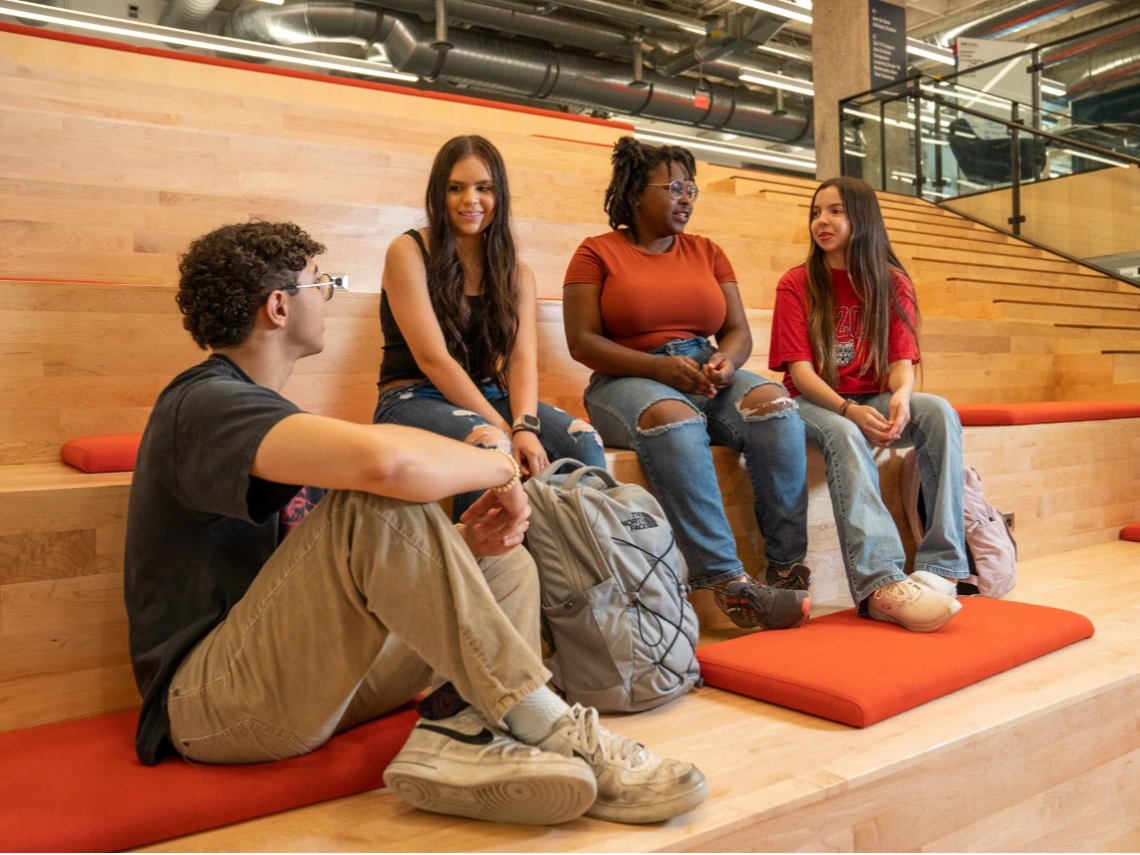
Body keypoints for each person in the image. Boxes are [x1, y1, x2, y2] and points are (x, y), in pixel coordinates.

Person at [123, 221, 708, 827]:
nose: (325, 296)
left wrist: (463, 544)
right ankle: (550, 724)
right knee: (373, 498)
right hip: (214, 703)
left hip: (311, 676)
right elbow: (389, 464)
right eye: (318, 285)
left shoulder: (271, 415)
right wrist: (503, 464)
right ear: (278, 307)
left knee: (501, 559)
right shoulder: (203, 404)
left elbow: (323, 581)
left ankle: (457, 736)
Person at [562, 136, 812, 632]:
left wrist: (725, 359)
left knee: (774, 404)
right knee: (675, 420)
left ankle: (785, 568)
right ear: (635, 193)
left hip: (703, 368)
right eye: (673, 188)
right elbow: (582, 341)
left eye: (691, 190)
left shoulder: (707, 252)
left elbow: (738, 330)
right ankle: (724, 581)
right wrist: (657, 369)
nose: (685, 199)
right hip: (625, 378)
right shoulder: (596, 253)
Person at [769, 176, 968, 632]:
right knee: (843, 431)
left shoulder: (891, 281)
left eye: (836, 211)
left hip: (870, 395)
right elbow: (799, 374)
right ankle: (879, 581)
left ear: (862, 218)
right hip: (810, 403)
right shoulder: (795, 283)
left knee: (938, 411)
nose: (823, 221)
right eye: (817, 212)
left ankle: (942, 568)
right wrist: (847, 411)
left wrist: (900, 394)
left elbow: (902, 361)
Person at [374, 135, 606, 517]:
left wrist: (525, 426)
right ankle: (487, 570)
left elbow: (521, 359)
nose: (471, 200)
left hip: (486, 394)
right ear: (438, 194)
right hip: (410, 398)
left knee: (583, 441)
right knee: (492, 447)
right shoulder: (408, 251)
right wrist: (505, 428)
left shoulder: (516, 273)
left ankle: (575, 566)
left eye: (484, 188)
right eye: (456, 188)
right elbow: (433, 359)